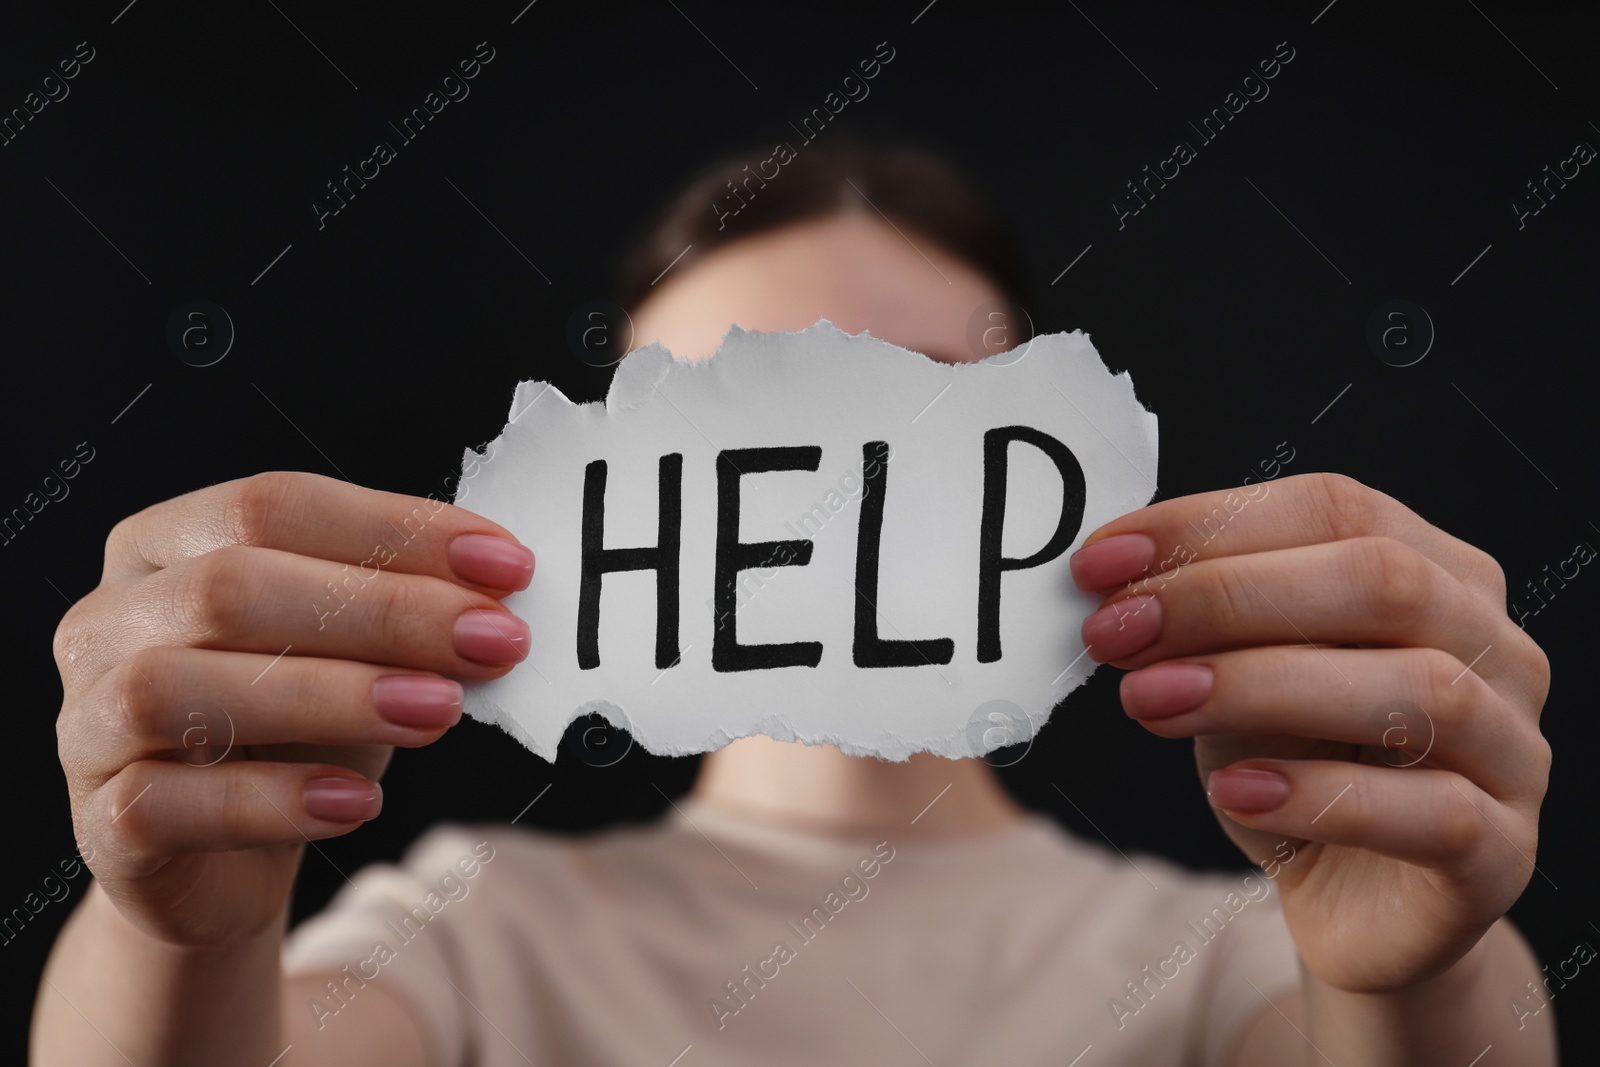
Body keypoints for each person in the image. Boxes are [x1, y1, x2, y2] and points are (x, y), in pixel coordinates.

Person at [34, 144, 1556, 1066]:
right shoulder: (482, 931)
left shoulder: (1227, 952)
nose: (835, 486)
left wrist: (1419, 975)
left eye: (920, 400)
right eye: (725, 406)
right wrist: (179, 942)